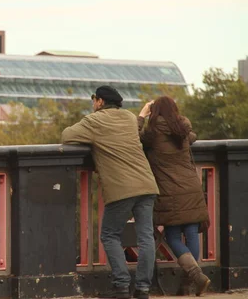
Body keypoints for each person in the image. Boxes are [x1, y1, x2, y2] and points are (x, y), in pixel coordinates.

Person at [62, 86, 159, 299]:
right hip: (147, 183)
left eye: (93, 99)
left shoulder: (94, 121)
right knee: (146, 237)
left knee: (109, 234)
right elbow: (137, 132)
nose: (93, 103)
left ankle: (121, 286)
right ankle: (143, 289)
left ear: (100, 101)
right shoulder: (128, 117)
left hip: (122, 187)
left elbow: (67, 136)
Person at [138, 96, 210, 296]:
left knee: (172, 236)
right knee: (192, 232)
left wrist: (142, 115)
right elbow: (192, 136)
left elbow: (133, 138)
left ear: (155, 112)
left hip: (170, 191)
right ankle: (188, 285)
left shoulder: (152, 133)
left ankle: (196, 276)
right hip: (192, 188)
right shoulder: (183, 130)